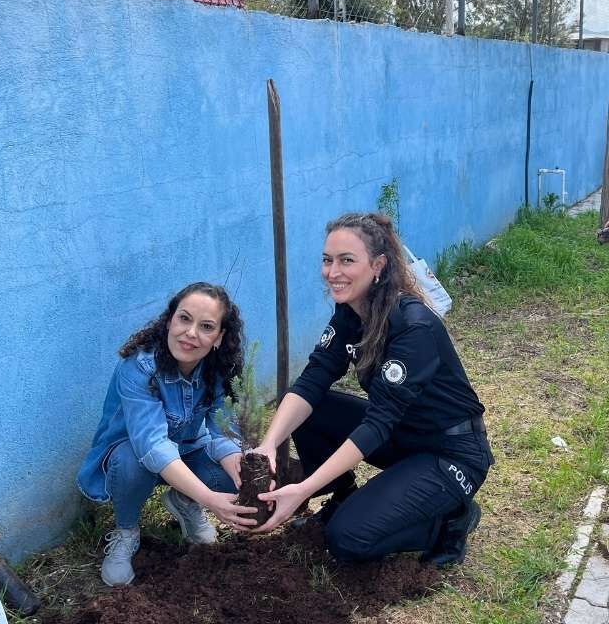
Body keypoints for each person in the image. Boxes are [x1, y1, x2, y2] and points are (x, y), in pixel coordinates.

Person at [250, 212, 493, 567]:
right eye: (327, 260)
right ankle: (342, 494)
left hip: (450, 453)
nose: (333, 272)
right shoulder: (350, 313)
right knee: (312, 408)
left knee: (347, 538)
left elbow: (378, 423)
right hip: (402, 436)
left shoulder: (413, 327)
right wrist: (268, 445)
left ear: (377, 265)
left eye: (347, 260)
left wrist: (303, 489)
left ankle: (450, 520)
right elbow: (313, 378)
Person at [76, 283, 259, 587]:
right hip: (134, 455)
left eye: (206, 327)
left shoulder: (217, 368)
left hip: (187, 450)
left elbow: (223, 432)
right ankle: (126, 531)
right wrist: (210, 499)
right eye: (184, 319)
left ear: (219, 337)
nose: (191, 333)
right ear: (169, 320)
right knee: (130, 461)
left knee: (236, 473)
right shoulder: (139, 367)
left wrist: (242, 474)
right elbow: (152, 445)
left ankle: (185, 501)